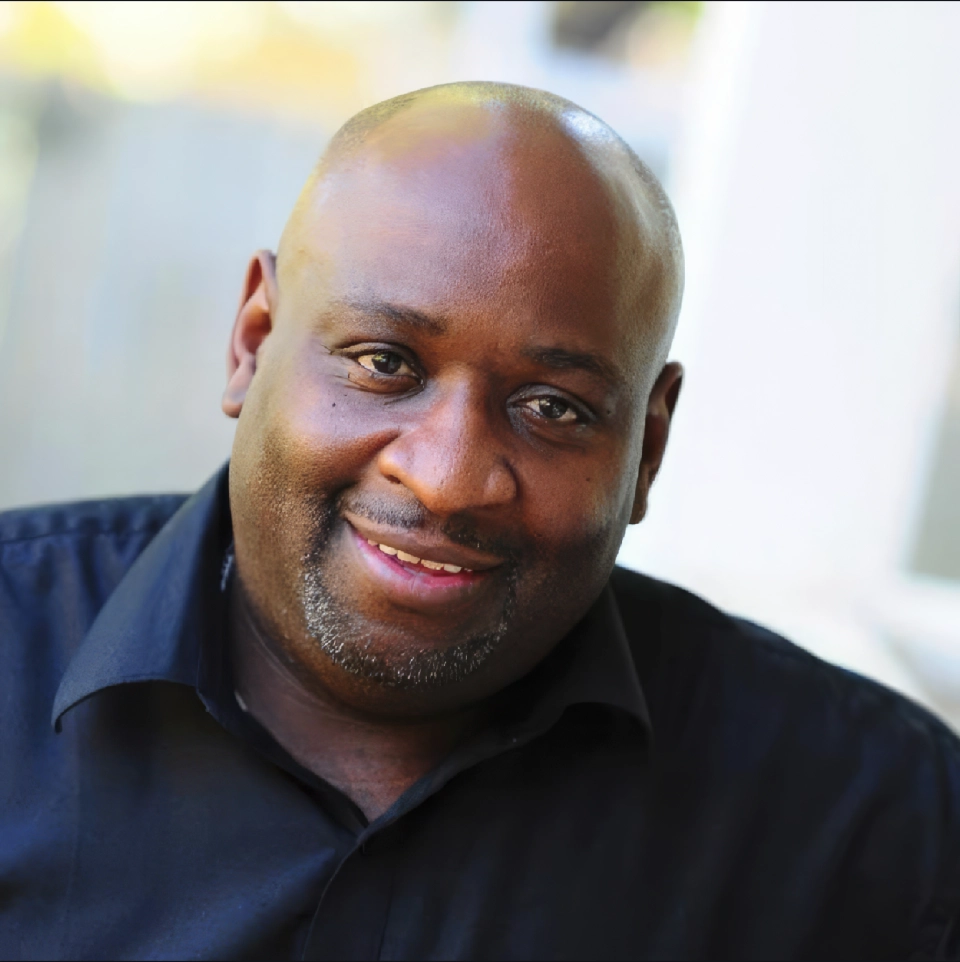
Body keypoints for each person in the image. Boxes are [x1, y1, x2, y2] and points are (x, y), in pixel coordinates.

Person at [1, 81, 958, 961]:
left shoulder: (878, 828)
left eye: (553, 407)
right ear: (254, 342)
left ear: (648, 449)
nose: (450, 478)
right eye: (383, 363)